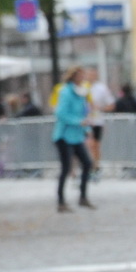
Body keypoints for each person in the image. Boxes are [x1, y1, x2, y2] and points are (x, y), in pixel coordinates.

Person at [53, 67, 94, 212]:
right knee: (66, 168)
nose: (83, 77)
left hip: (77, 136)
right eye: (80, 74)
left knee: (87, 163)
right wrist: (78, 122)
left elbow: (84, 113)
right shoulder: (65, 92)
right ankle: (61, 201)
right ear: (73, 76)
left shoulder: (82, 92)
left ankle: (83, 197)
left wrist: (86, 129)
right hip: (64, 136)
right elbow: (60, 113)